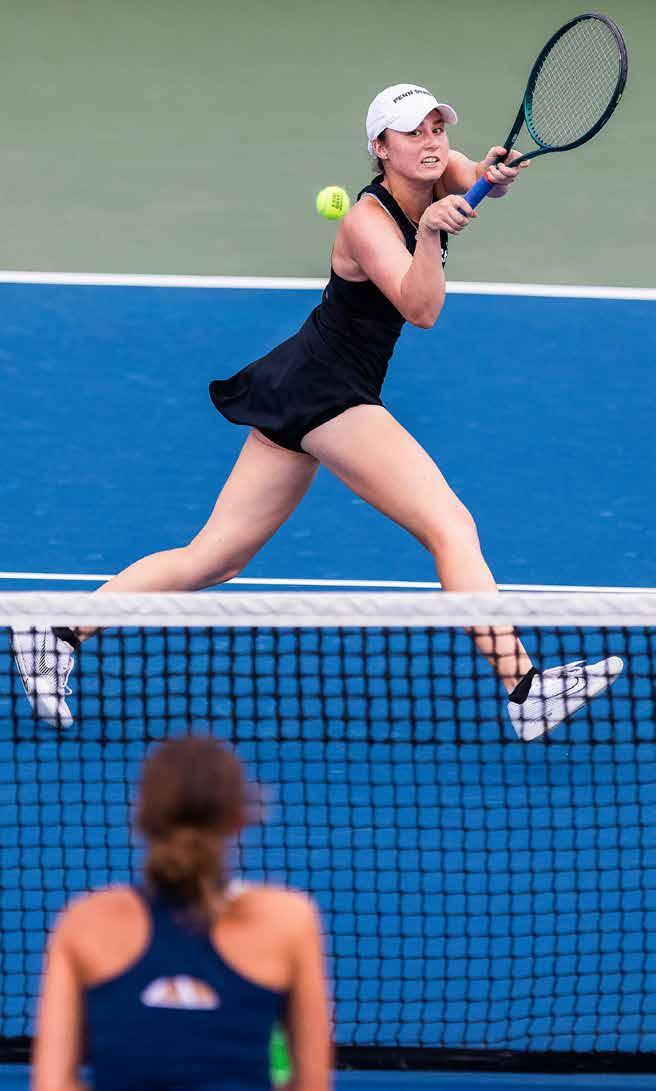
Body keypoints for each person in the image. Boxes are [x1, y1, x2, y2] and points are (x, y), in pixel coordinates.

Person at [12, 83, 622, 738]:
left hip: (299, 379)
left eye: (437, 128)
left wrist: (492, 177)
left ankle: (55, 632)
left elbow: (474, 178)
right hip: (332, 394)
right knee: (450, 526)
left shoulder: (442, 165)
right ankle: (526, 690)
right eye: (413, 132)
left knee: (214, 557)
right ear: (380, 147)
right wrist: (429, 235)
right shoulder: (366, 222)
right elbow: (421, 310)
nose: (432, 142)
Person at [32, 734, 331, 1091]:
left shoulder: (84, 922)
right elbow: (313, 1085)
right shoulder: (290, 921)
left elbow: (52, 1085)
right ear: (240, 817)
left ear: (142, 814)